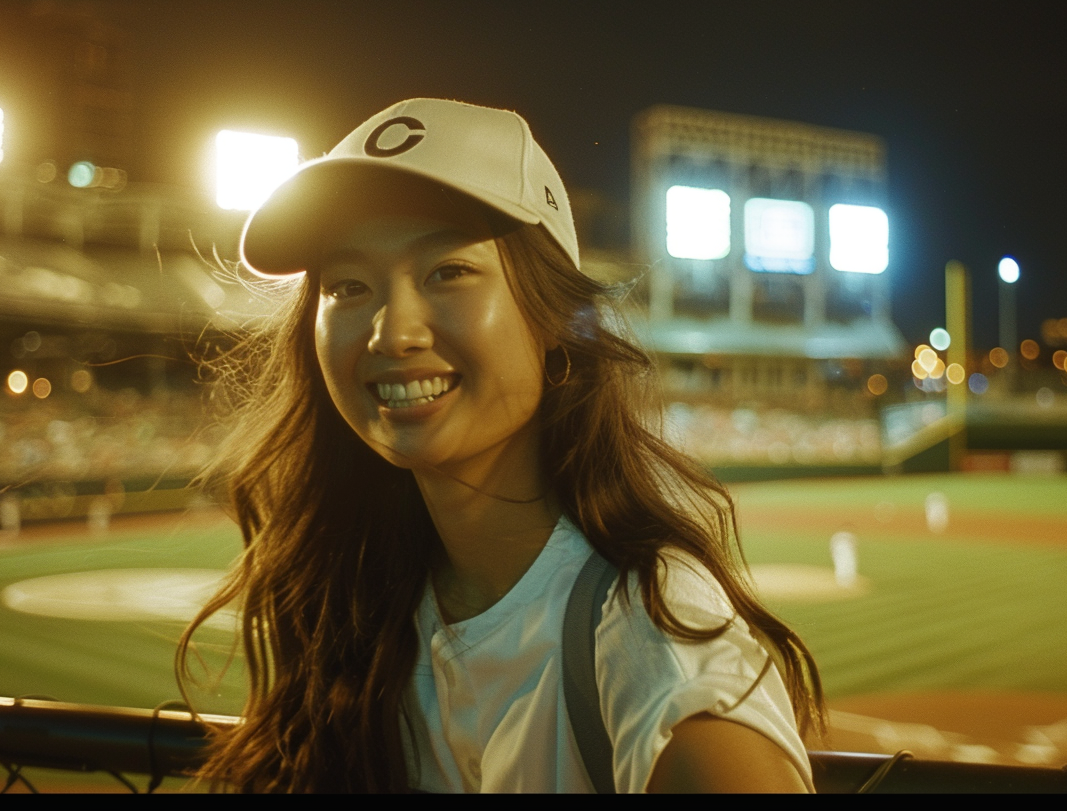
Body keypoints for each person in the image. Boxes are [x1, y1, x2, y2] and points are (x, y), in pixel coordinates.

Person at [179, 98, 824, 793]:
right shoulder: (365, 591)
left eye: (447, 272)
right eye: (348, 285)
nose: (393, 334)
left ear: (554, 321)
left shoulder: (645, 633)